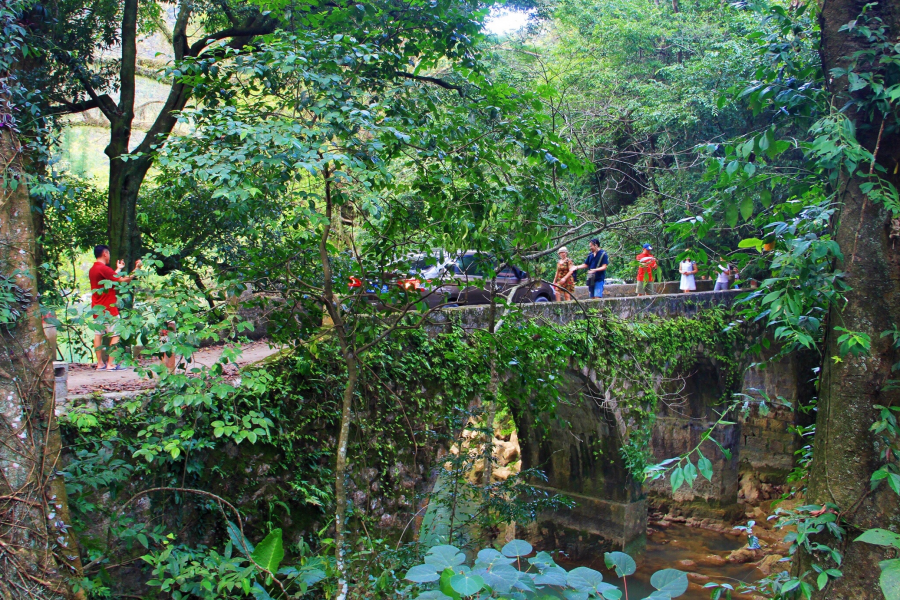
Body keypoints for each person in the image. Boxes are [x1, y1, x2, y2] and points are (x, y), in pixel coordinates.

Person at [89, 245, 140, 371]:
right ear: (105, 253)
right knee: (116, 335)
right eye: (109, 254)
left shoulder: (93, 269)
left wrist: (118, 269)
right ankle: (111, 364)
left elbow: (110, 279)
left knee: (98, 335)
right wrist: (136, 269)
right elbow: (123, 281)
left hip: (97, 308)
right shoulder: (104, 268)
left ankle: (100, 363)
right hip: (109, 309)